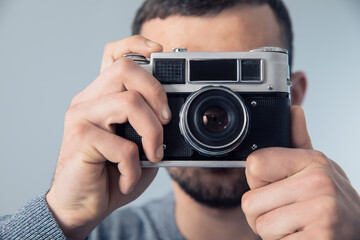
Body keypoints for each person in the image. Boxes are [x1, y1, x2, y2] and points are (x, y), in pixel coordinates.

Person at [1, 0, 360, 239]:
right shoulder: (91, 233)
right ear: (128, 95)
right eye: (179, 89)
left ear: (291, 96)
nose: (210, 116)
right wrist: (61, 215)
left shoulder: (346, 227)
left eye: (238, 86)